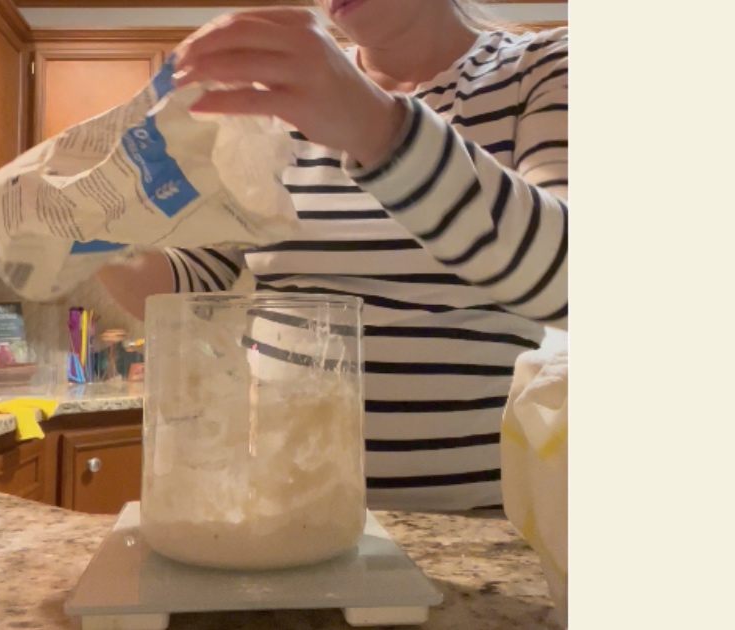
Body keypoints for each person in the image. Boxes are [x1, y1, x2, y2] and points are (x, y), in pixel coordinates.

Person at [98, 0, 568, 511]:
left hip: (479, 527)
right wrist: (92, 229)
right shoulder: (276, 105)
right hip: (287, 515)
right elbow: (187, 286)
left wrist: (375, 125)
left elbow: (569, 277)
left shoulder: (542, 67)